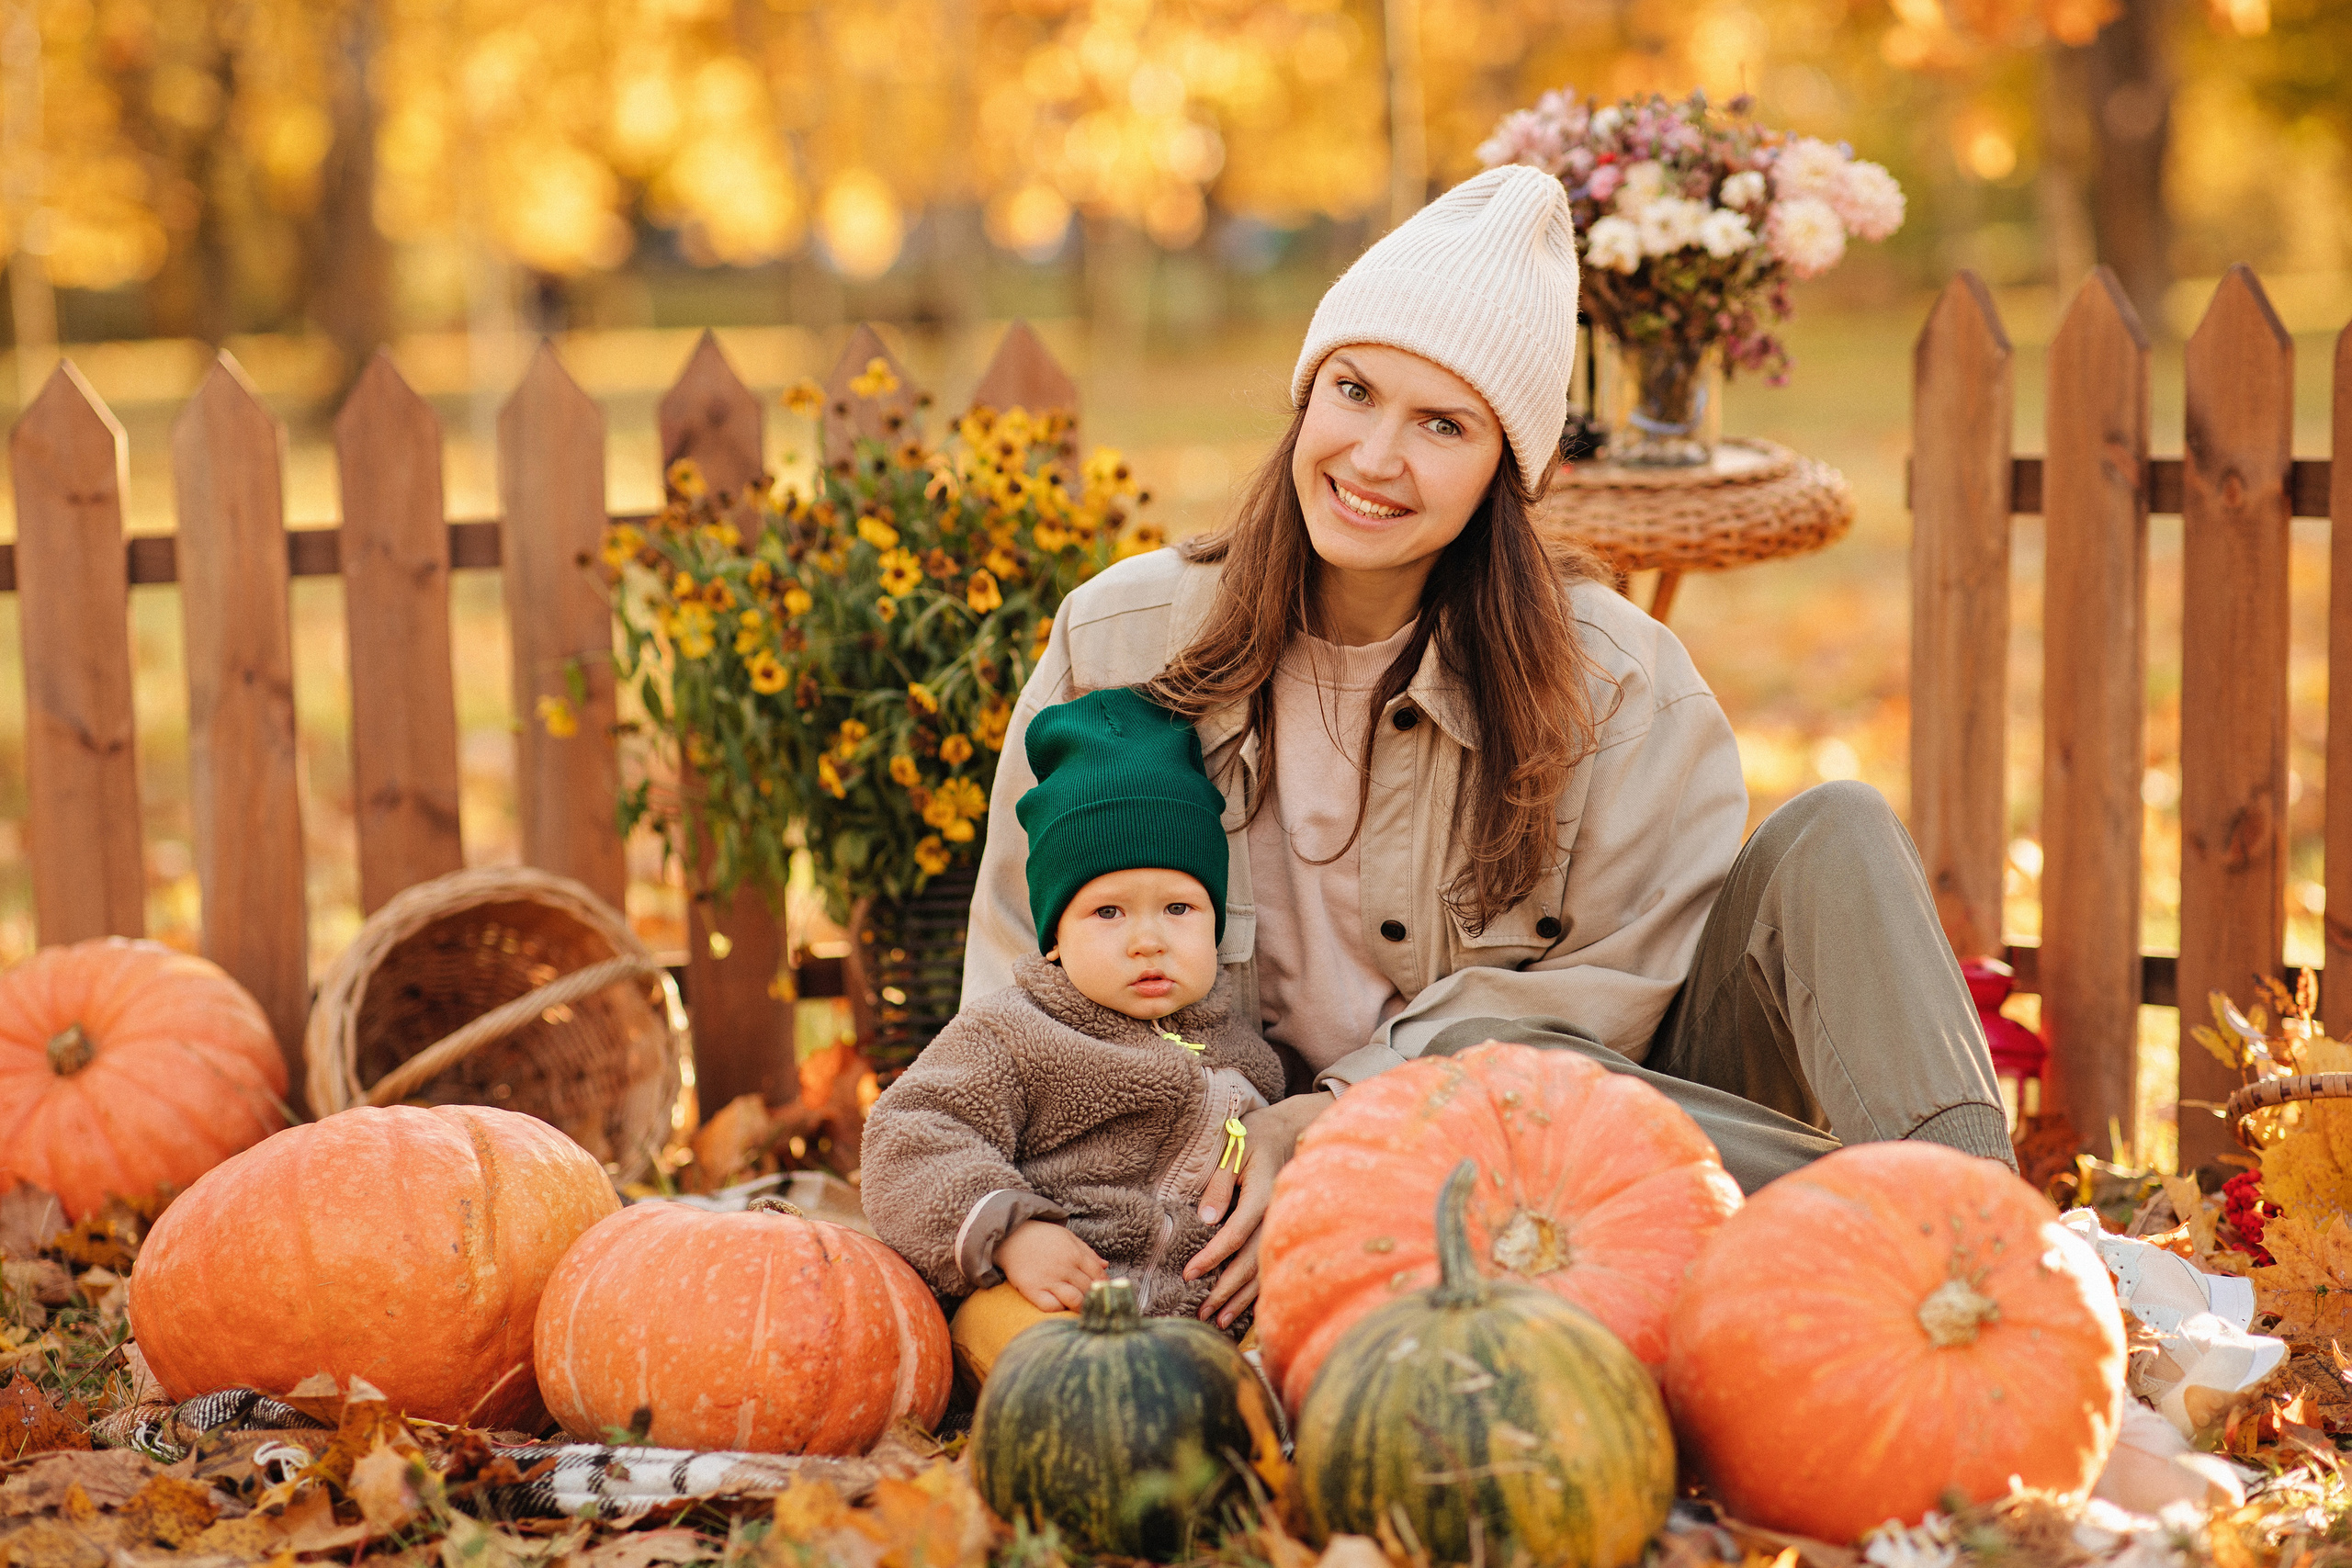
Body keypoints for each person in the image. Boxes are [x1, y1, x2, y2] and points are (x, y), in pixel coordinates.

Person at [963, 163, 2015, 1335]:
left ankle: (1995, 1255)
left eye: (1442, 425)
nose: (1372, 458)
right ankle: (1885, 1245)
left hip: (1536, 1162)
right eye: (1353, 392)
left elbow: (1610, 1009)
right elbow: (1018, 983)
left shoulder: (1613, 682)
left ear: (1510, 470)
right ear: (1306, 394)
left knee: (1841, 827)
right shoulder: (1124, 638)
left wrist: (1350, 1107)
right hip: (1197, 1195)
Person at [863, 687, 1285, 1390]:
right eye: (1108, 911)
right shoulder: (1016, 1031)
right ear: (1056, 934)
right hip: (1054, 1303)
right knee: (1034, 1355)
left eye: (1179, 906)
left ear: (1214, 920)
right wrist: (1013, 1231)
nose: (1147, 938)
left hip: (1200, 1323)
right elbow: (907, 1134)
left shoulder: (1247, 1053)